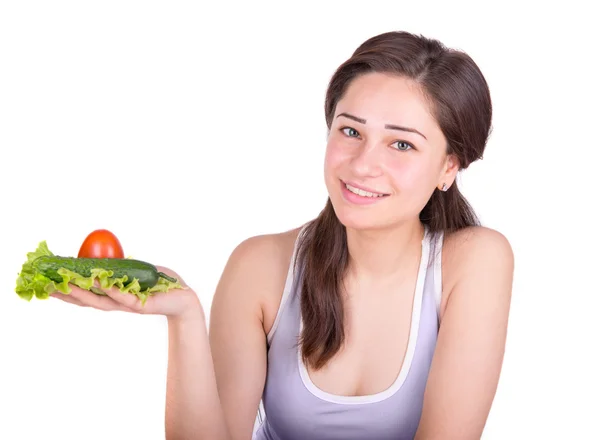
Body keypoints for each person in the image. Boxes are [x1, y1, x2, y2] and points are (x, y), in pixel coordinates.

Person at [51, 30, 514, 440]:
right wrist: (184, 316)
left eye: (401, 144)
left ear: (449, 167)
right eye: (350, 131)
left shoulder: (473, 262)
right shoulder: (260, 265)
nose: (362, 164)